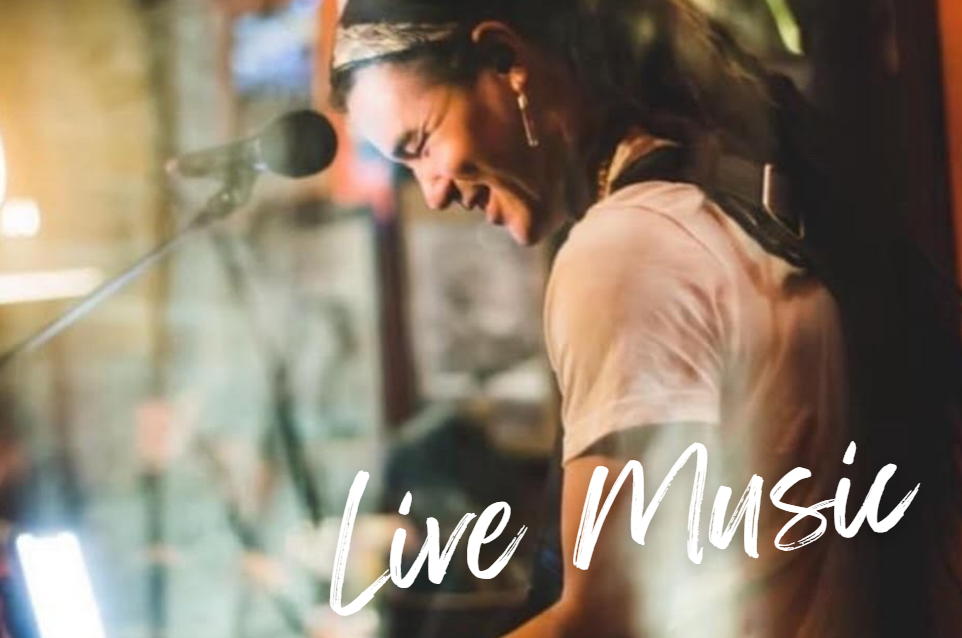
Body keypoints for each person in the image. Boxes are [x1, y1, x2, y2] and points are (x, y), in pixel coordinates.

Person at [327, 0, 962, 636]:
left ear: (505, 61)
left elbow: (600, 616)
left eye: (422, 144)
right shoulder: (710, 204)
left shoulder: (625, 250)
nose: (433, 191)